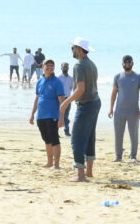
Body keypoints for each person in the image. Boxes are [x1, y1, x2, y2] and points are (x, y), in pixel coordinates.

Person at [59, 38, 100, 182]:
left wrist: (65, 103)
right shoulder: (91, 64)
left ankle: (81, 175)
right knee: (89, 136)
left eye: (73, 48)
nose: (72, 51)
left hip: (86, 104)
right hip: (95, 102)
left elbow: (80, 89)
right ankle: (89, 172)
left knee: (76, 138)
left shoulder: (79, 66)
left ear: (79, 49)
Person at [108, 54, 140, 162]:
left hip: (133, 111)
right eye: (126, 62)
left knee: (134, 135)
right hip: (119, 111)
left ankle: (133, 156)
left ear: (132, 63)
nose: (127, 64)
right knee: (118, 134)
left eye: (129, 62)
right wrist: (111, 108)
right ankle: (118, 156)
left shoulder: (138, 77)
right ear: (122, 64)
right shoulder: (117, 77)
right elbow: (113, 93)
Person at [29, 60, 66, 168]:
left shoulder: (57, 82)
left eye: (52, 66)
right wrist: (32, 114)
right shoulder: (40, 81)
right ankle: (49, 163)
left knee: (54, 140)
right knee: (46, 140)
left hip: (52, 115)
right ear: (43, 67)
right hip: (41, 116)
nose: (50, 67)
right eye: (47, 65)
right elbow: (37, 98)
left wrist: (62, 118)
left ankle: (56, 165)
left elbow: (61, 101)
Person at [58, 62, 74, 135]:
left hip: (68, 99)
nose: (65, 68)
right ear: (61, 68)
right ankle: (56, 131)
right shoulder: (58, 78)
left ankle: (66, 131)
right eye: (64, 67)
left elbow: (71, 88)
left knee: (66, 116)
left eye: (66, 67)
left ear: (68, 68)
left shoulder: (71, 78)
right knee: (58, 115)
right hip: (60, 99)